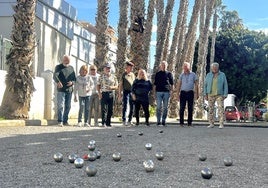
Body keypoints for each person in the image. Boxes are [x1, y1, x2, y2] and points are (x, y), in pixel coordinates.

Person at [53, 55, 76, 126]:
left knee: (68, 106)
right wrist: (58, 82)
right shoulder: (58, 67)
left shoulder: (71, 68)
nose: (66, 61)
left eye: (68, 60)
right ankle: (60, 121)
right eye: (65, 60)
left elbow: (74, 79)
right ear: (62, 60)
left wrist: (72, 83)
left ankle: (65, 120)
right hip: (61, 90)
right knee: (60, 105)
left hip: (69, 90)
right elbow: (55, 75)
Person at [204, 62, 228, 129]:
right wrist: (205, 94)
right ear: (211, 68)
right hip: (210, 94)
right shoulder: (208, 75)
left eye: (215, 67)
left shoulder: (222, 75)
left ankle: (221, 123)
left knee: (221, 109)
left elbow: (225, 85)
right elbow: (205, 85)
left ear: (218, 68)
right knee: (211, 109)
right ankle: (211, 123)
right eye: (213, 67)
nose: (214, 69)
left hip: (219, 94)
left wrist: (225, 94)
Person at [177, 62, 199, 127]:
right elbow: (179, 84)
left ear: (189, 67)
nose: (185, 68)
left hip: (190, 92)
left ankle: (189, 123)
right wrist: (177, 94)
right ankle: (181, 123)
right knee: (181, 108)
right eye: (184, 66)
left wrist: (197, 93)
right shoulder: (181, 75)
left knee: (190, 108)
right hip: (183, 93)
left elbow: (196, 84)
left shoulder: (193, 74)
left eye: (186, 66)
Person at [153, 61, 174, 126]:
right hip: (158, 92)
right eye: (162, 65)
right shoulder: (157, 74)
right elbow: (155, 84)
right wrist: (154, 93)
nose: (163, 66)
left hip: (166, 92)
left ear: (166, 66)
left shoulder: (169, 74)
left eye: (164, 65)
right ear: (160, 66)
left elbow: (172, 84)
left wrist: (172, 92)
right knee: (158, 107)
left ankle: (163, 120)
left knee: (165, 107)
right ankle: (158, 120)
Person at [118, 61, 136, 126]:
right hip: (126, 91)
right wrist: (119, 95)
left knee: (132, 106)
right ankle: (124, 120)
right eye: (130, 67)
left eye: (132, 67)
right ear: (127, 67)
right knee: (125, 105)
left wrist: (135, 94)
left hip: (132, 92)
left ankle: (130, 120)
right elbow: (120, 85)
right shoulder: (124, 75)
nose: (132, 68)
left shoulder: (133, 75)